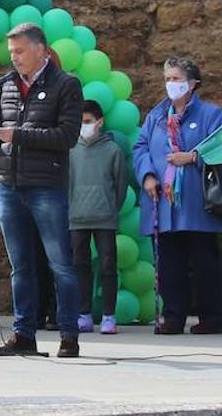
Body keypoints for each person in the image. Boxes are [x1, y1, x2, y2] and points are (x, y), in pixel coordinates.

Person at [0, 22, 83, 358]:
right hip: (9, 186)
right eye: (11, 52)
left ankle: (69, 334)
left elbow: (67, 136)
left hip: (46, 186)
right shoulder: (4, 86)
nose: (13, 58)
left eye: (20, 51)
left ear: (40, 49)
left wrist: (17, 135)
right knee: (20, 266)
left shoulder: (66, 85)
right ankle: (23, 334)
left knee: (60, 264)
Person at [133, 56, 222, 335]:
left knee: (204, 262)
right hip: (163, 202)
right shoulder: (156, 116)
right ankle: (173, 316)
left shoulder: (211, 114)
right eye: (168, 79)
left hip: (197, 204)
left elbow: (218, 147)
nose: (171, 84)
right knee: (169, 262)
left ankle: (212, 315)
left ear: (193, 83)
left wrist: (193, 157)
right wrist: (147, 175)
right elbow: (140, 147)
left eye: (177, 79)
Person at [68, 99, 127, 335]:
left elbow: (120, 186)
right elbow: (66, 183)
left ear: (99, 122)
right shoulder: (71, 149)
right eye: (80, 122)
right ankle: (83, 314)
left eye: (88, 122)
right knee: (79, 265)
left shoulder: (112, 150)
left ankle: (109, 316)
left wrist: (111, 208)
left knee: (108, 266)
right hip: (76, 218)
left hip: (105, 218)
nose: (84, 126)